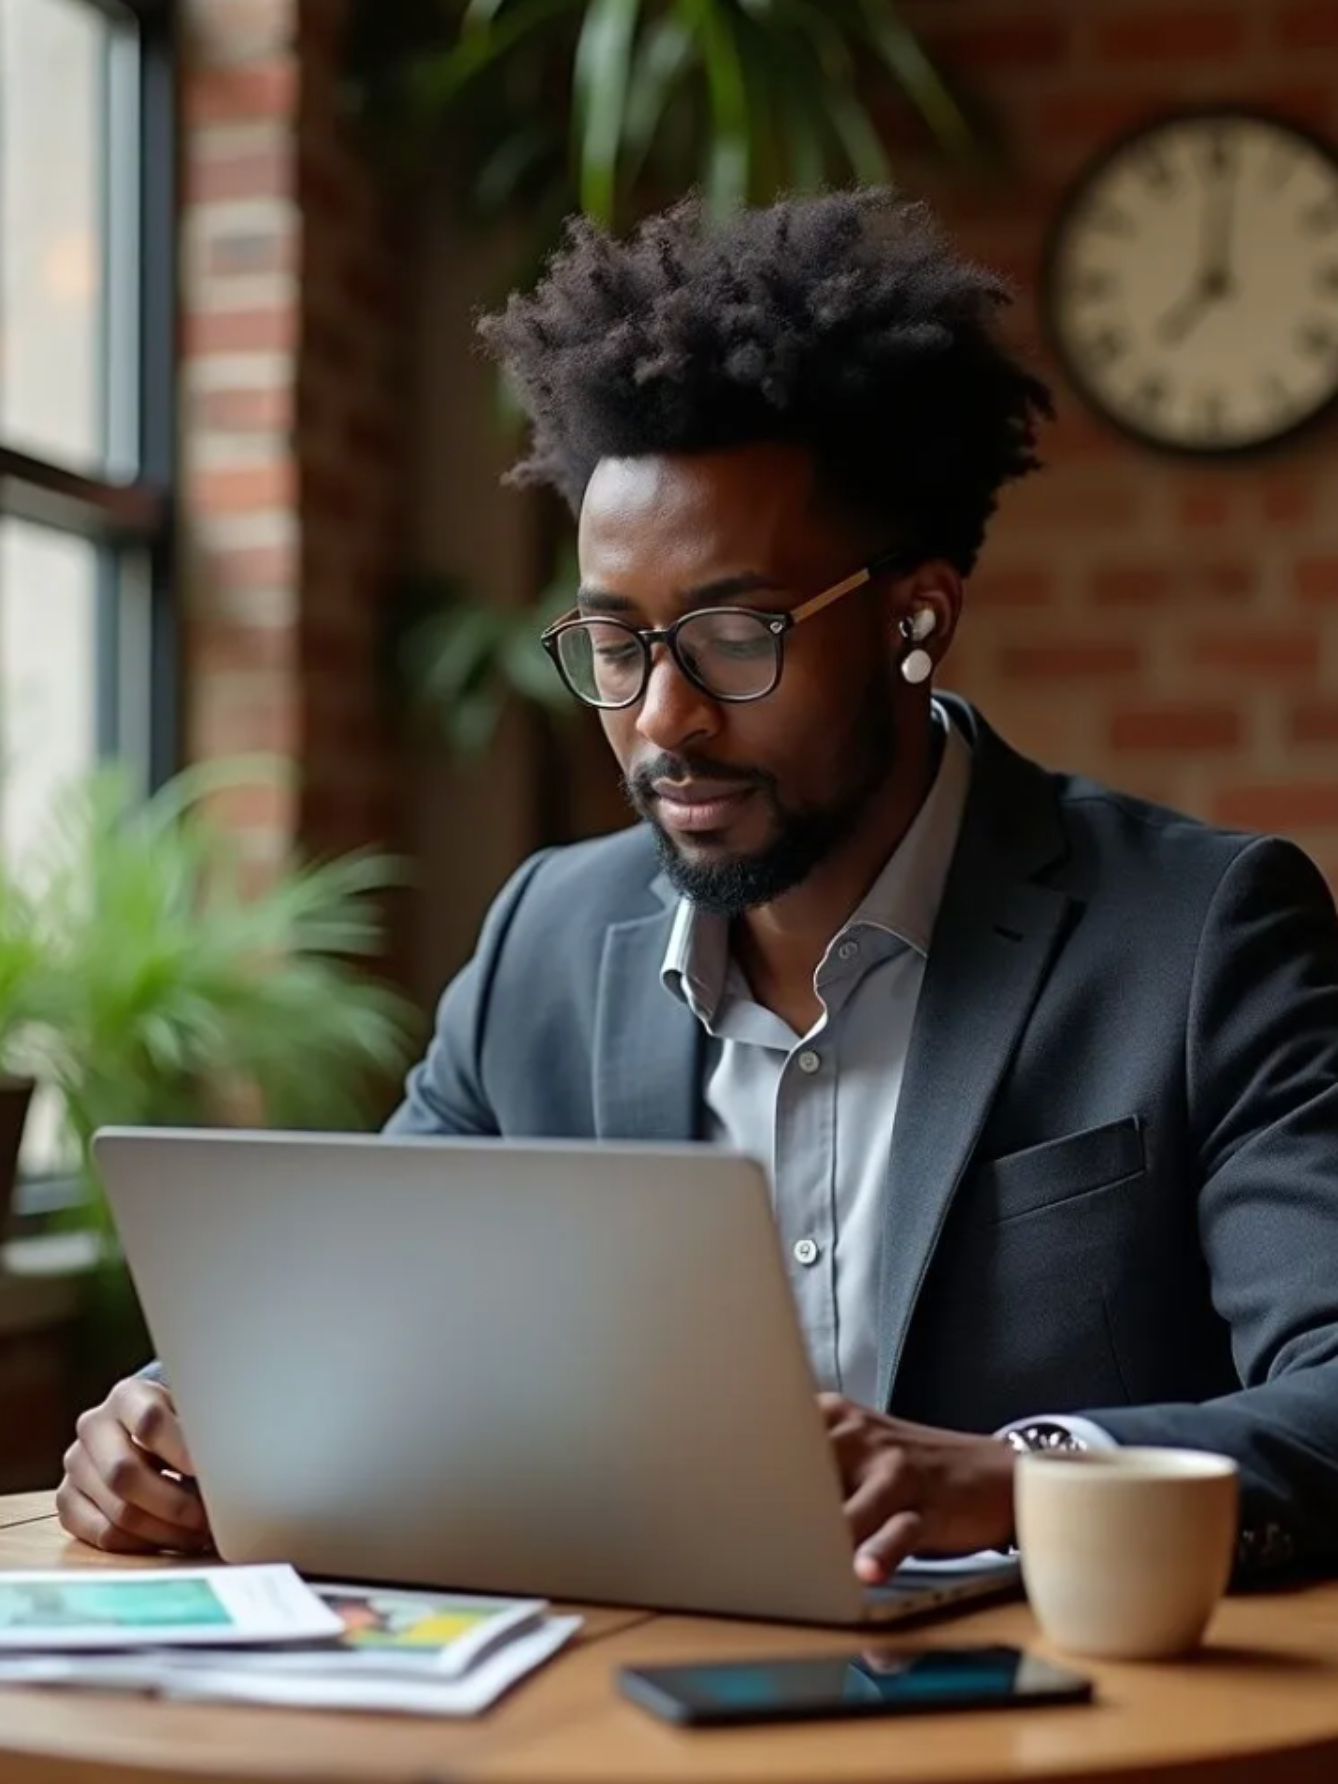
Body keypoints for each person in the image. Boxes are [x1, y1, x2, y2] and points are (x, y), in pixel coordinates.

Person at [57, 190, 1338, 1582]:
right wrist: (175, 1424)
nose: (662, 718)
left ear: (915, 618)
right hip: (618, 1712)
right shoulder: (546, 941)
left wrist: (1012, 1478)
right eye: (614, 643)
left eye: (734, 636)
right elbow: (351, 1327)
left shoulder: (1202, 935)